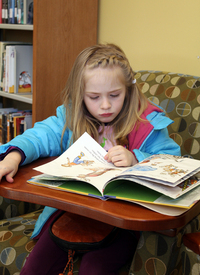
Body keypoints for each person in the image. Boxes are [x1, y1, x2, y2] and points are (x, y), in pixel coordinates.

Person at [0, 43, 181, 275]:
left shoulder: (147, 123)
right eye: (94, 97)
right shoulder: (71, 116)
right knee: (34, 267)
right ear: (80, 95)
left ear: (128, 90)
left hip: (121, 222)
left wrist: (137, 158)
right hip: (71, 214)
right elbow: (40, 136)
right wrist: (14, 156)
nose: (105, 105)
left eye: (115, 95)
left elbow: (173, 163)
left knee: (94, 269)